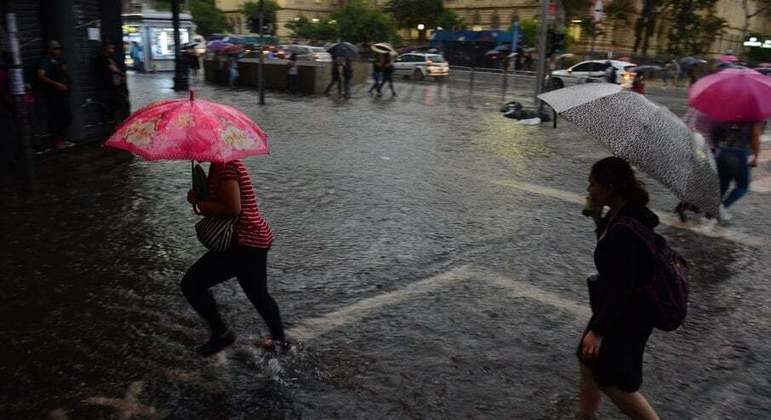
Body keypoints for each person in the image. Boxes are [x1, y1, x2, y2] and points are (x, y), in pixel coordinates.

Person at [579, 157, 660, 420]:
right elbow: (613, 259)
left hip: (627, 314)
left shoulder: (624, 231)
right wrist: (597, 219)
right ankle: (585, 416)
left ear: (610, 188)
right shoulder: (621, 215)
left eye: (593, 184)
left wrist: (598, 331)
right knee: (587, 360)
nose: (588, 189)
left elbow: (621, 287)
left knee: (613, 381)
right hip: (619, 307)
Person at [183, 160, 287, 355]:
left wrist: (201, 204)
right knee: (258, 294)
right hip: (253, 239)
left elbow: (233, 208)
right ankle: (280, 342)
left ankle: (221, 333)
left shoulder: (224, 166)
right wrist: (199, 200)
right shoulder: (220, 165)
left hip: (243, 241)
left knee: (191, 284)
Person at [711, 121, 762, 221]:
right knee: (742, 187)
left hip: (723, 151)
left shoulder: (727, 115)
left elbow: (715, 131)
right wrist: (756, 156)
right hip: (740, 154)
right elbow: (755, 139)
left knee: (722, 185)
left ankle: (711, 211)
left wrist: (718, 147)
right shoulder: (752, 119)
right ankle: (721, 208)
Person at [37, 40, 73, 150]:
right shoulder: (45, 61)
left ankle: (62, 139)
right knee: (57, 118)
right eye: (55, 49)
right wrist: (56, 84)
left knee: (67, 116)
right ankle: (58, 141)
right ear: (49, 50)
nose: (58, 51)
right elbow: (41, 76)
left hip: (62, 94)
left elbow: (64, 73)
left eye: (59, 48)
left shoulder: (59, 60)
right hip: (53, 94)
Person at [97, 41, 128, 123]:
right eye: (110, 47)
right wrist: (122, 74)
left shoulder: (109, 58)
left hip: (113, 86)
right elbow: (113, 69)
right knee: (115, 106)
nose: (113, 48)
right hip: (109, 87)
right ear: (105, 48)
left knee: (118, 105)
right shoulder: (104, 58)